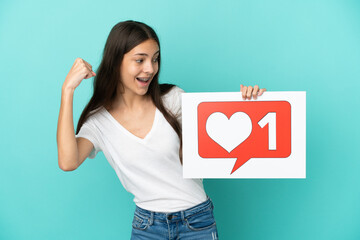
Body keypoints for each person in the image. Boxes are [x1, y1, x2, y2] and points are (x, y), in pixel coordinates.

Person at [57, 20, 266, 240]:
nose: (150, 69)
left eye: (155, 59)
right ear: (116, 62)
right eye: (140, 60)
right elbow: (68, 162)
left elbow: (216, 145)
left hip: (196, 221)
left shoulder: (173, 99)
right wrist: (67, 90)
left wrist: (249, 106)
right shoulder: (99, 121)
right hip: (148, 227)